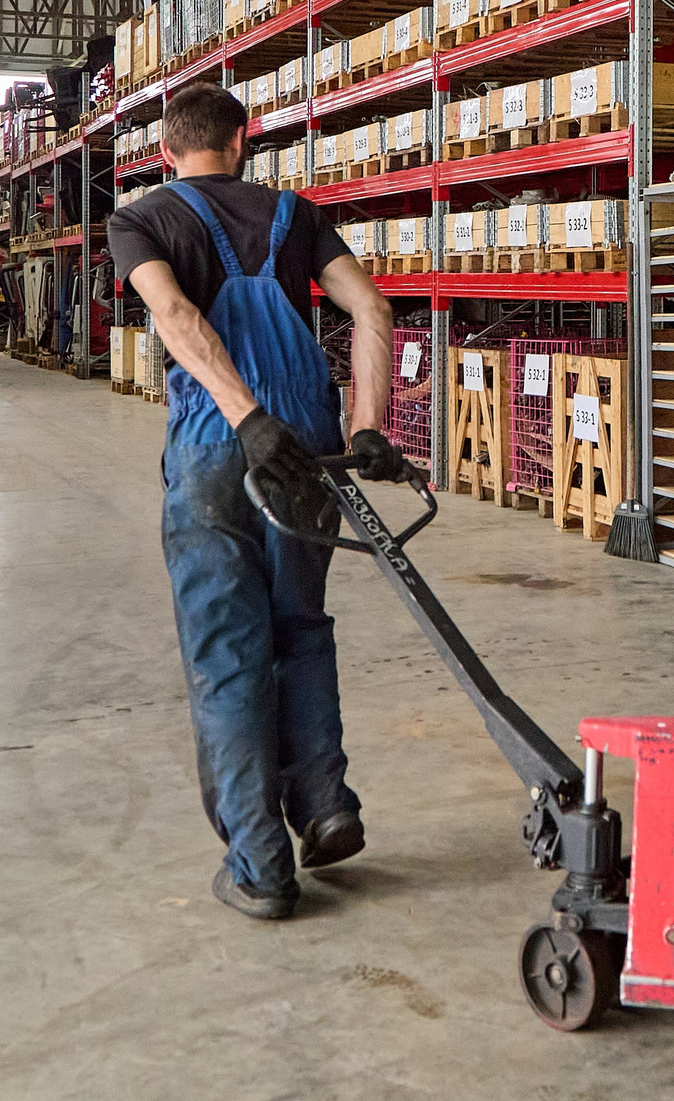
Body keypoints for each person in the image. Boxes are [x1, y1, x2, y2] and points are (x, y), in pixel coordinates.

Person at [110, 81, 417, 922]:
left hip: (220, 450)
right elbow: (373, 308)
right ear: (242, 142)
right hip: (310, 450)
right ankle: (325, 808)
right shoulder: (297, 214)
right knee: (300, 628)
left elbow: (172, 313)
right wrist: (366, 425)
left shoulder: (141, 219)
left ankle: (260, 865)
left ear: (166, 152)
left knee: (229, 651)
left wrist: (243, 418)